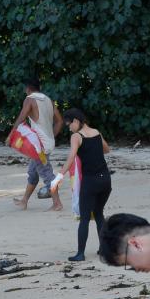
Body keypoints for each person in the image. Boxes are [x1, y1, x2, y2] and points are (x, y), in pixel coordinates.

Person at [57, 108, 111, 261]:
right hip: (105, 180)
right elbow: (107, 150)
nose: (69, 128)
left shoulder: (76, 136)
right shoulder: (96, 132)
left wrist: (60, 175)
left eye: (69, 125)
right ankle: (104, 250)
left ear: (76, 121)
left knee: (85, 217)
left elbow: (71, 157)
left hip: (91, 181)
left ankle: (80, 254)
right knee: (99, 213)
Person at [7, 77, 64, 211]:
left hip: (39, 146)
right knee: (33, 172)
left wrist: (11, 135)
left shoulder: (30, 99)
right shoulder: (48, 100)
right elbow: (60, 121)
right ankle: (24, 201)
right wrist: (50, 136)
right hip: (47, 143)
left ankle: (57, 203)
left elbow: (21, 119)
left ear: (28, 88)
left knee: (46, 173)